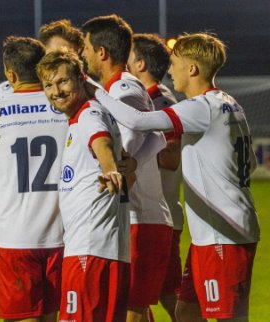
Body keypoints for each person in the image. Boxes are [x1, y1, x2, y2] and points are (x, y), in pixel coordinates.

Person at [94, 32, 260, 322]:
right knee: (186, 312)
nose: (170, 70)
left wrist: (92, 90)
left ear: (193, 69)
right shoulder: (229, 103)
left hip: (224, 233)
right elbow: (253, 165)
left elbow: (137, 121)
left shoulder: (202, 107)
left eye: (175, 63)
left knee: (229, 318)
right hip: (212, 233)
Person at [0, 36, 68, 322]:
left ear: (10, 74)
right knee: (50, 316)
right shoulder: (66, 107)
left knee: (21, 316)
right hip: (62, 235)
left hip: (16, 239)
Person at [82, 14, 173, 322]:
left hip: (138, 220)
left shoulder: (124, 92)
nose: (83, 56)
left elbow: (125, 159)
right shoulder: (117, 91)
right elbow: (154, 142)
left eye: (85, 48)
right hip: (137, 220)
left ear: (102, 52)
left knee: (130, 312)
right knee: (135, 310)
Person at [36, 50, 130, 322]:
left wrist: (110, 168)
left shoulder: (88, 115)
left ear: (80, 79)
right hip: (110, 249)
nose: (56, 91)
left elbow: (101, 143)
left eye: (63, 82)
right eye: (48, 85)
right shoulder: (93, 114)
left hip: (88, 250)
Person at [127, 33, 184, 322]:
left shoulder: (160, 101)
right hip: (149, 216)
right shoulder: (145, 98)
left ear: (140, 63)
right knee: (141, 296)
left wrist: (133, 153)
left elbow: (172, 157)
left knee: (169, 295)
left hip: (160, 218)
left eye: (128, 55)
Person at [0, 19, 83, 146]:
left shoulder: (80, 89)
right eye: (54, 54)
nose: (59, 61)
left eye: (67, 56)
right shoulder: (5, 89)